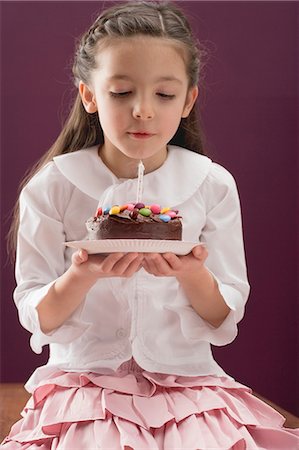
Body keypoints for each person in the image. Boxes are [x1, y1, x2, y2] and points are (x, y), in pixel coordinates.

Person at [2, 1, 299, 449]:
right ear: (89, 95)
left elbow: (223, 313)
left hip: (189, 383)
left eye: (163, 95)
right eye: (121, 92)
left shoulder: (211, 185)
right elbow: (37, 313)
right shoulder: (53, 187)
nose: (142, 110)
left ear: (187, 100)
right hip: (86, 383)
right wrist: (82, 274)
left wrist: (191, 271)